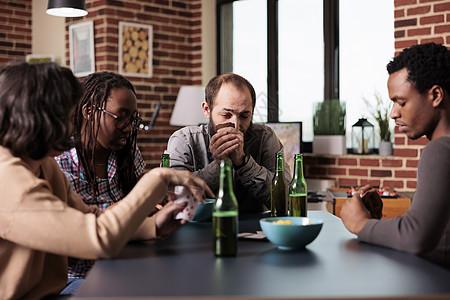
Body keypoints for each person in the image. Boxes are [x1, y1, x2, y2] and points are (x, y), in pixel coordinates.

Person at [0, 62, 213, 300]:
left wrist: (153, 226)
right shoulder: (7, 180)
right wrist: (158, 177)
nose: (72, 123)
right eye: (65, 114)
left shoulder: (43, 164)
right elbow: (99, 239)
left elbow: (91, 219)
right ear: (35, 115)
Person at [340, 42, 450, 269]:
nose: (393, 113)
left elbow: (416, 237)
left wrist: (360, 224)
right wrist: (375, 223)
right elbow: (436, 237)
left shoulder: (440, 150)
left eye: (401, 102)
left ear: (436, 95)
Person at [55, 71, 149, 287]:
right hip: (75, 279)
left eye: (132, 119)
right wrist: (133, 208)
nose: (128, 127)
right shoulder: (59, 161)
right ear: (89, 111)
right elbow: (68, 237)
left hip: (125, 264)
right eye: (120, 117)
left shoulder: (128, 152)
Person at [166, 73, 291, 212]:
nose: (236, 125)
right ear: (207, 109)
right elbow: (174, 200)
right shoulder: (185, 140)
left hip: (253, 228)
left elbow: (287, 201)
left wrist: (243, 163)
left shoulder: (265, 138)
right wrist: (219, 165)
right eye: (226, 115)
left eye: (244, 115)